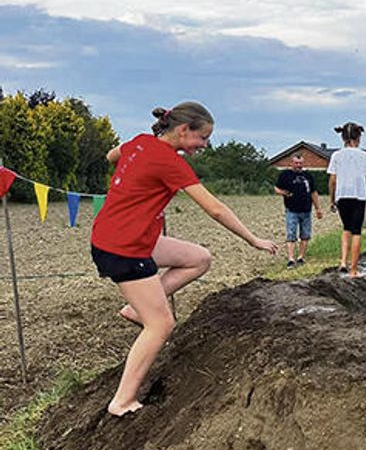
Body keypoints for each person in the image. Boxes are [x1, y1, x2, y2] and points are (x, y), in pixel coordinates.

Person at [90, 102, 277, 417]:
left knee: (199, 258)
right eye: (202, 138)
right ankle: (122, 401)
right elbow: (215, 208)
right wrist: (253, 239)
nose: (204, 145)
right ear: (182, 130)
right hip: (124, 246)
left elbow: (112, 155)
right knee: (161, 324)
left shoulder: (139, 142)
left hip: (125, 236)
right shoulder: (169, 162)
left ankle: (136, 308)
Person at [327, 122, 366, 277]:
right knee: (356, 232)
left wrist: (332, 200)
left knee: (346, 229)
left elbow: (332, 180)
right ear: (358, 138)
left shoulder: (336, 156)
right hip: (359, 197)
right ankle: (353, 270)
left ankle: (343, 262)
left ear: (343, 138)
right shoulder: (364, 156)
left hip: (342, 197)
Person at [274, 153, 323, 268]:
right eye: (296, 163)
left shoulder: (308, 176)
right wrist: (283, 192)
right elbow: (276, 188)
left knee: (305, 235)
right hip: (291, 210)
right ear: (291, 163)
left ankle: (301, 257)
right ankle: (291, 259)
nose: (298, 165)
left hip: (306, 210)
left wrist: (318, 208)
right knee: (291, 234)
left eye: (300, 163)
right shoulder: (285, 175)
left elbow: (313, 192)